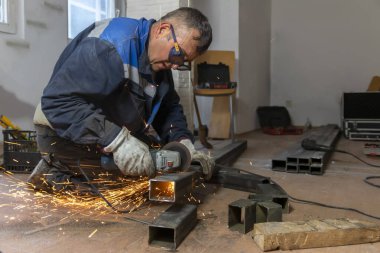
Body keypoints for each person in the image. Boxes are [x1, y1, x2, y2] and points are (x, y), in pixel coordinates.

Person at [28, 7, 214, 192]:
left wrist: (184, 144)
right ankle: (53, 173)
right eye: (178, 54)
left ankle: (83, 166)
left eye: (182, 63)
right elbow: (57, 103)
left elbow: (168, 108)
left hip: (106, 134)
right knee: (130, 188)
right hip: (62, 134)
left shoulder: (158, 64)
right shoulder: (109, 46)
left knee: (156, 163)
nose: (175, 65)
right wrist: (117, 141)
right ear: (162, 30)